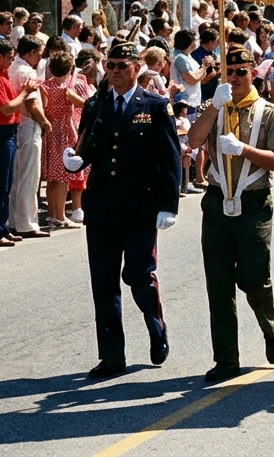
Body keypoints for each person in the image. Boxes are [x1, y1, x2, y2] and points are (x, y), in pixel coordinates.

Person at [64, 42, 180, 379]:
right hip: (102, 206)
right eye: (110, 65)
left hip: (141, 206)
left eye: (121, 65)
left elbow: (170, 158)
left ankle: (155, 325)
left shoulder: (156, 106)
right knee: (103, 282)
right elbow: (88, 145)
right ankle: (112, 356)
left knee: (139, 276)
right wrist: (75, 160)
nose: (114, 71)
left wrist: (168, 205)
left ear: (137, 66)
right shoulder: (95, 104)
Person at [185, 46, 274, 382]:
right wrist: (213, 107)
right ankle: (226, 359)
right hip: (217, 202)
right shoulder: (215, 105)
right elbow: (193, 140)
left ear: (253, 72)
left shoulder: (268, 111)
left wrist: (243, 149)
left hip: (254, 203)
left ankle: (270, 329)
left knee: (254, 279)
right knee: (218, 284)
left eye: (241, 72)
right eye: (228, 72)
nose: (234, 78)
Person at [0, 38, 37, 248]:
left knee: (5, 184)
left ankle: (1, 226)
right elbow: (7, 108)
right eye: (10, 58)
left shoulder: (0, 74)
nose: (12, 61)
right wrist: (25, 92)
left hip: (7, 132)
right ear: (0, 57)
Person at [40, 51, 90, 229]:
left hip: (50, 132)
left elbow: (44, 108)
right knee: (63, 178)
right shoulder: (67, 90)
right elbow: (84, 104)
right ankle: (60, 216)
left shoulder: (44, 87)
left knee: (52, 179)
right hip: (64, 132)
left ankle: (52, 214)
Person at [9, 36, 51, 239]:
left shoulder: (12, 68)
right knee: (29, 176)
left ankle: (15, 219)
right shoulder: (27, 71)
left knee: (17, 176)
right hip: (28, 125)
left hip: (16, 126)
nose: (40, 58)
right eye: (39, 53)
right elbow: (32, 103)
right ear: (31, 53)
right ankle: (27, 222)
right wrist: (44, 122)